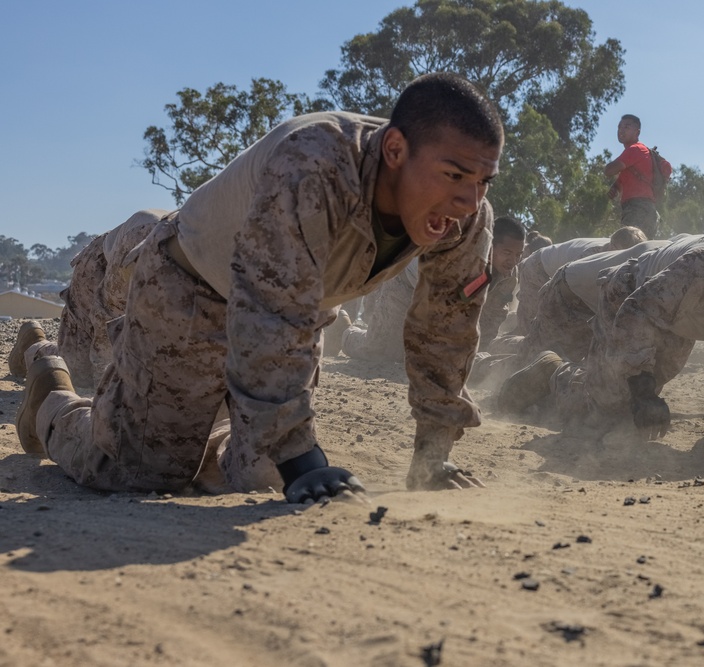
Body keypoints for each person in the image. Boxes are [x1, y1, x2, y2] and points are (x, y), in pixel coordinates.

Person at [13, 72, 505, 503]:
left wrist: (433, 457)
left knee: (257, 475)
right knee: (139, 472)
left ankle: (210, 431)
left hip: (291, 312)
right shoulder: (315, 163)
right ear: (395, 150)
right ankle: (51, 403)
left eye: (484, 181)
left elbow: (446, 330)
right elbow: (270, 311)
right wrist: (300, 457)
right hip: (191, 291)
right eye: (455, 175)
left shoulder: (465, 217)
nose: (469, 198)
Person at [499, 210, 704, 437]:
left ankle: (566, 379)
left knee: (624, 411)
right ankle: (551, 371)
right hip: (628, 295)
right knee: (604, 409)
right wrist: (642, 387)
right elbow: (639, 311)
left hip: (677, 319)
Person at [7, 210, 164, 389]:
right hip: (96, 270)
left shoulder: (195, 256)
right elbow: (107, 319)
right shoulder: (140, 247)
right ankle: (32, 348)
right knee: (79, 374)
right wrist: (104, 393)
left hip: (148, 279)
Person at [340, 216, 526, 362]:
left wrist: (478, 354)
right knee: (382, 352)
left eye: (518, 254)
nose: (513, 260)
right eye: (507, 253)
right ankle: (346, 333)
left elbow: (491, 315)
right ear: (489, 245)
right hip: (405, 283)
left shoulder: (508, 272)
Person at [510, 226, 646, 337]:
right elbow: (558, 285)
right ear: (613, 245)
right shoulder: (591, 256)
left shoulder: (614, 253)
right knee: (530, 332)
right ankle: (499, 354)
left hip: (553, 273)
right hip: (536, 269)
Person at [604, 114, 672, 239]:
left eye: (627, 127)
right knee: (638, 252)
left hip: (638, 209)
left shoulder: (635, 150)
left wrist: (606, 168)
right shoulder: (640, 152)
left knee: (628, 249)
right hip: (645, 210)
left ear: (637, 132)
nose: (621, 130)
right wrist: (615, 187)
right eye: (619, 127)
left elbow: (609, 170)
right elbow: (624, 179)